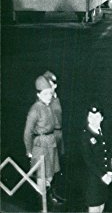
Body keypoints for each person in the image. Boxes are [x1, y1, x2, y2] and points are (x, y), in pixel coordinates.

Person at [24, 76, 61, 205]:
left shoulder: (49, 105)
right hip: (40, 145)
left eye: (50, 93)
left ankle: (45, 198)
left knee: (50, 175)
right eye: (45, 94)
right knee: (42, 175)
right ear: (38, 94)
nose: (48, 96)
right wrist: (29, 151)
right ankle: (42, 204)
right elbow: (27, 132)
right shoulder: (35, 109)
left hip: (50, 143)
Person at [81, 103, 112, 213]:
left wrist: (110, 171)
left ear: (102, 118)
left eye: (97, 117)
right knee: (94, 207)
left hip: (105, 176)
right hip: (93, 178)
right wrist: (103, 175)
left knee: (101, 205)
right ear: (87, 118)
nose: (94, 120)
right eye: (91, 117)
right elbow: (88, 160)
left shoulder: (105, 132)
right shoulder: (85, 136)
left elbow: (110, 151)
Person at [43, 70, 66, 202]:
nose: (53, 86)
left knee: (56, 167)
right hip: (50, 137)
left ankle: (52, 193)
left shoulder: (55, 96)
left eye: (53, 83)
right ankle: (45, 197)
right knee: (48, 167)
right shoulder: (44, 99)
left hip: (58, 135)